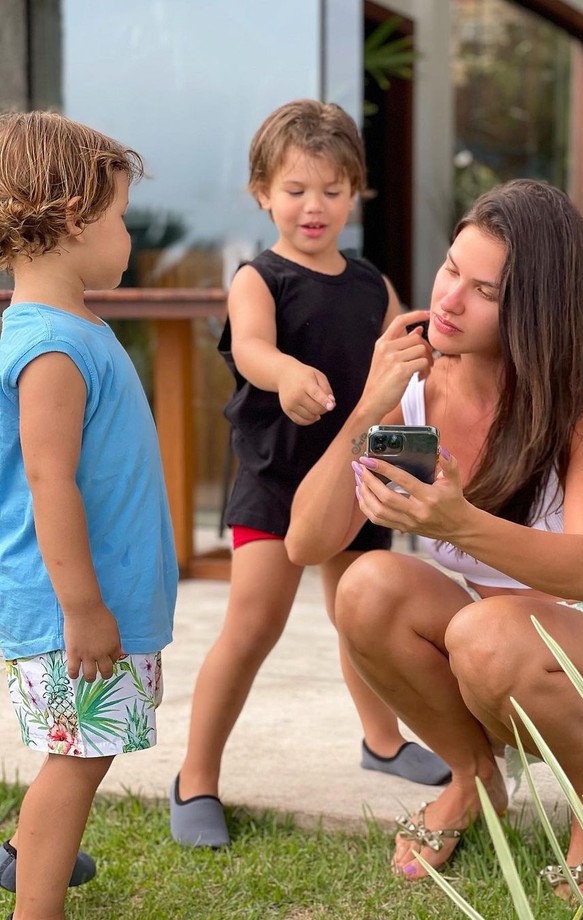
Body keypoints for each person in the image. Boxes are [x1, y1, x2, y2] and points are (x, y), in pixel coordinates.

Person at [286, 178, 583, 902]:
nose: (447, 299)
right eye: (451, 268)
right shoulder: (416, 395)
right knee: (366, 588)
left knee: (484, 631)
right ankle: (474, 777)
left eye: (484, 289)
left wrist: (459, 525)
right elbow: (307, 543)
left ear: (533, 308)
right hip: (491, 655)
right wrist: (367, 410)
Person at [170, 99, 450, 849]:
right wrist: (286, 371)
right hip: (275, 477)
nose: (313, 206)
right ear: (263, 193)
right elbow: (253, 350)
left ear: (355, 192)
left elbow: (406, 368)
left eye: (331, 190)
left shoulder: (370, 283)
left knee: (362, 620)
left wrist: (412, 461)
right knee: (253, 626)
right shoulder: (258, 278)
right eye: (295, 190)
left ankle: (382, 742)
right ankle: (196, 776)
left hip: (358, 478)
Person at [0, 111, 177, 920]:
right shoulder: (51, 347)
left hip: (92, 605)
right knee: (74, 763)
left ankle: (34, 854)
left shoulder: (74, 328)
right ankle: (36, 903)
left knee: (78, 756)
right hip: (71, 612)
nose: (127, 236)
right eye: (120, 219)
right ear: (75, 218)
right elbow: (49, 481)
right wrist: (84, 609)